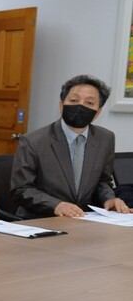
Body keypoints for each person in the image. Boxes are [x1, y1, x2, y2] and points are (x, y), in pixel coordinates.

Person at [11, 74, 130, 218]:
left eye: (89, 103)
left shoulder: (106, 138)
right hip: (42, 219)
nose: (80, 106)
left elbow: (102, 181)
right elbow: (21, 189)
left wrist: (109, 199)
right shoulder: (33, 140)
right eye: (74, 100)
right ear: (61, 105)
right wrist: (56, 205)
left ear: (97, 112)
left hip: (84, 220)